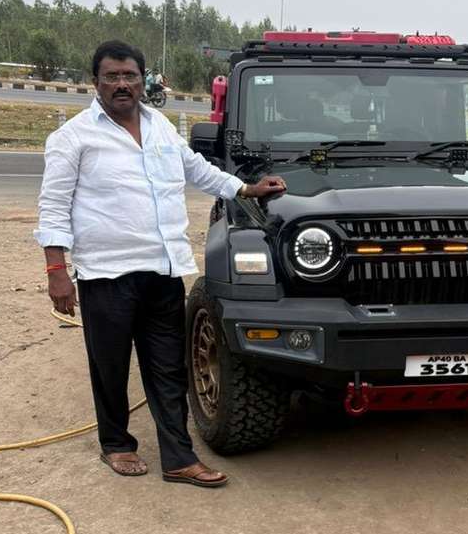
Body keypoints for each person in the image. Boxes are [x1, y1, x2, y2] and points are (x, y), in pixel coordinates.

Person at [34, 40, 286, 487]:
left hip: (163, 269)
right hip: (106, 274)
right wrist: (57, 271)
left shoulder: (161, 128)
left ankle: (178, 457)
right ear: (96, 83)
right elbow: (54, 207)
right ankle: (117, 444)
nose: (121, 84)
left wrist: (246, 189)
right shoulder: (73, 137)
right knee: (109, 364)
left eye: (129, 75)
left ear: (143, 80)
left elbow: (197, 169)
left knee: (168, 366)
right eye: (111, 76)